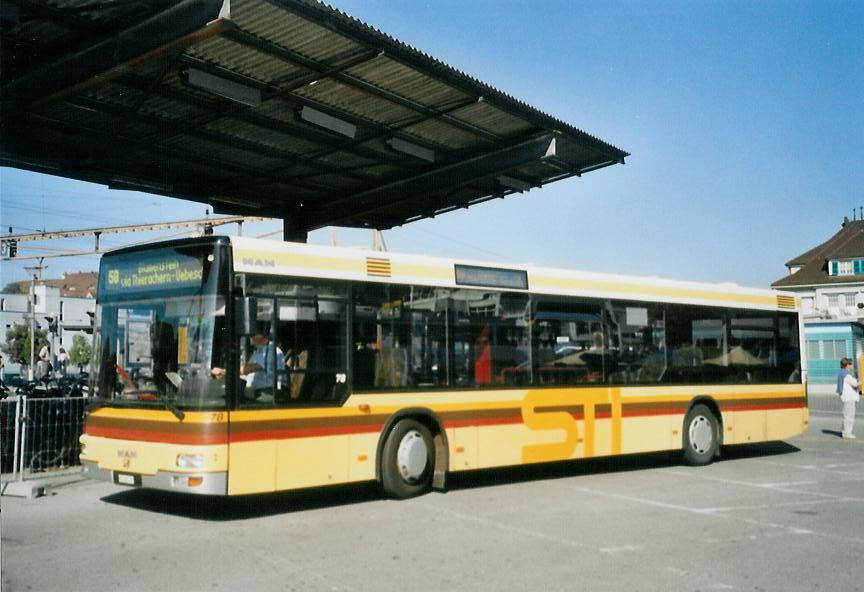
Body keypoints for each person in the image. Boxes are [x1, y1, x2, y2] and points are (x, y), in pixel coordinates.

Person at [241, 332, 284, 400]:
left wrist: (225, 371)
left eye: (254, 335)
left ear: (264, 337)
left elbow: (250, 368)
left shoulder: (272, 351)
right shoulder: (257, 352)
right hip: (254, 391)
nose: (251, 338)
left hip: (267, 392)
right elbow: (248, 374)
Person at [836, 357, 860, 439]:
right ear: (847, 365)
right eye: (850, 364)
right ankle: (847, 433)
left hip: (845, 397)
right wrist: (862, 381)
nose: (852, 366)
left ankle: (845, 432)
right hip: (849, 397)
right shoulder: (847, 374)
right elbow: (855, 384)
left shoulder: (841, 373)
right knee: (849, 415)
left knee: (846, 415)